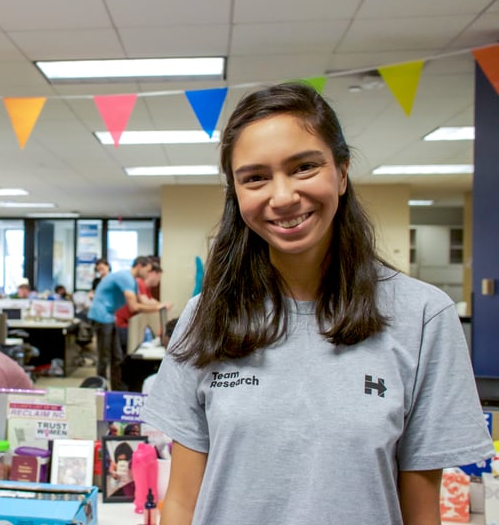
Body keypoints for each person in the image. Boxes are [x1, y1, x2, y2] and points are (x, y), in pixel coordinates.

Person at [141, 83, 493, 525]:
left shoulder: (422, 317)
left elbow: (421, 512)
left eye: (304, 167)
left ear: (342, 173)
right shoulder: (206, 316)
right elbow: (181, 502)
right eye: (255, 177)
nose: (283, 196)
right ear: (236, 193)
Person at [88, 257, 169, 391]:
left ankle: (117, 390)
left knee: (117, 357)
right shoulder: (125, 277)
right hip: (101, 316)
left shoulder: (132, 281)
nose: (148, 274)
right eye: (147, 270)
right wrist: (158, 308)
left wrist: (161, 305)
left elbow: (142, 300)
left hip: (109, 317)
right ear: (139, 266)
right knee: (104, 358)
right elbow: (134, 307)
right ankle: (99, 391)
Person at [114, 265, 163, 351]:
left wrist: (161, 305)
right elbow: (144, 302)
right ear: (153, 274)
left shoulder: (144, 286)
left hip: (126, 322)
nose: (159, 281)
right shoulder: (140, 283)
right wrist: (160, 306)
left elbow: (149, 300)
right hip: (122, 323)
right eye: (159, 277)